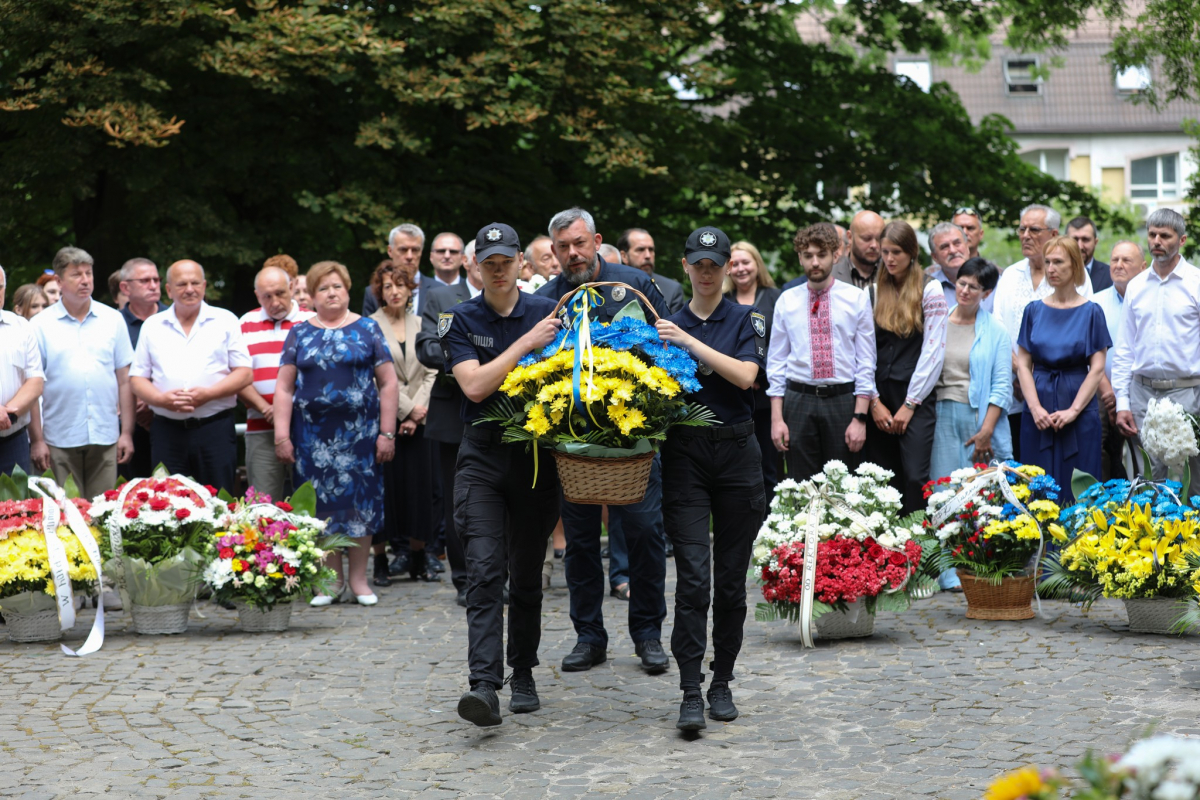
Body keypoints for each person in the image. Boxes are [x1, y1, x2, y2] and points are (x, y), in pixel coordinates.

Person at [536, 207, 671, 677]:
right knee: (579, 542)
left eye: (579, 243)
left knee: (647, 536)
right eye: (563, 248)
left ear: (596, 240)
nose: (573, 254)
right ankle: (589, 636)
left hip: (633, 441)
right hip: (573, 446)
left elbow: (667, 348)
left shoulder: (633, 286)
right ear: (553, 252)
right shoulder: (546, 299)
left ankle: (649, 634)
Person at [440, 222, 562, 727]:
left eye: (505, 260)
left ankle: (524, 671)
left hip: (535, 459)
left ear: (521, 264)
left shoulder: (549, 313)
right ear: (475, 266)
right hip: (484, 458)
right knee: (486, 572)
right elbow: (474, 386)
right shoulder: (461, 319)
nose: (497, 268)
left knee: (527, 575)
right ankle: (484, 685)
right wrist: (526, 346)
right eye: (487, 261)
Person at [656, 225, 766, 731]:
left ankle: (722, 680)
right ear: (685, 266)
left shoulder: (746, 319)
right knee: (694, 580)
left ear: (726, 268)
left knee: (730, 584)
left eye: (715, 265)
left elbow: (745, 377)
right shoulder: (666, 324)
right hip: (686, 457)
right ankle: (689, 690)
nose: (706, 272)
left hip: (737, 454)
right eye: (698, 265)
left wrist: (689, 345)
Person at [274, 260, 398, 606]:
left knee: (360, 506)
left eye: (338, 286)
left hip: (361, 437)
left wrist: (387, 433)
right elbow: (284, 388)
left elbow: (388, 383)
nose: (332, 293)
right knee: (320, 507)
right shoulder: (299, 333)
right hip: (312, 439)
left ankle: (359, 580)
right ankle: (330, 580)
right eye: (324, 288)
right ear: (311, 296)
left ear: (347, 290)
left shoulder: (368, 329)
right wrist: (281, 436)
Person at [130, 260, 252, 494]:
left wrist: (208, 394)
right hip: (167, 431)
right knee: (165, 504)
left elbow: (245, 373)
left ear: (204, 286)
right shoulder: (152, 326)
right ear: (168, 290)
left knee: (220, 501)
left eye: (195, 283)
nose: (189, 289)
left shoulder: (225, 320)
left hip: (214, 428)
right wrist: (160, 399)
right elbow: (137, 378)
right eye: (182, 284)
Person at [929, 257, 1013, 591]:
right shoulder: (937, 321)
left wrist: (987, 430)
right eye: (961, 283)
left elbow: (1002, 385)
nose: (964, 290)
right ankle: (948, 572)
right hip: (941, 416)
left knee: (980, 496)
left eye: (973, 287)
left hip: (979, 418)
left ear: (986, 292)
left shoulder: (996, 331)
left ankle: (982, 565)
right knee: (944, 493)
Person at [768, 223, 875, 481]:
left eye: (821, 255)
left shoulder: (856, 298)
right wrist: (777, 419)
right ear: (800, 258)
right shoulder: (787, 299)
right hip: (798, 400)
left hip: (842, 400)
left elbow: (866, 361)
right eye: (808, 256)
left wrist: (860, 418)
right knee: (801, 486)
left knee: (843, 487)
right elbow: (776, 362)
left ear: (836, 255)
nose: (815, 262)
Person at [29, 246, 134, 498]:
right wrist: (37, 440)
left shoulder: (112, 319)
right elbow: (32, 386)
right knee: (66, 518)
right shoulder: (40, 325)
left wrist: (127, 432)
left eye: (89, 273)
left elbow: (125, 380)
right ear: (58, 280)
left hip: (105, 433)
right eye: (76, 274)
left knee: (103, 513)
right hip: (58, 436)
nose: (85, 280)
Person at [993, 204, 1092, 461]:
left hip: (1064, 391)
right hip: (1014, 389)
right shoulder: (1009, 276)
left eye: (1034, 229)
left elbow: (1084, 333)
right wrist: (1022, 374)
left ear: (1053, 232)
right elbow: (999, 330)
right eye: (1022, 229)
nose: (1025, 235)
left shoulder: (1080, 283)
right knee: (1025, 464)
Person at [1016, 237, 1110, 503]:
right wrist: (1034, 408)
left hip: (1078, 404)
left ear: (1075, 265)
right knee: (1036, 484)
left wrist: (1073, 411)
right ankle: (1039, 543)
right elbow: (1023, 364)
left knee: (1080, 484)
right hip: (1039, 403)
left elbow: (1097, 368)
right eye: (1047, 262)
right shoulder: (1033, 310)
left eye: (1058, 262)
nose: (1051, 268)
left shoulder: (1092, 312)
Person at [416, 242, 484, 606]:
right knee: (460, 500)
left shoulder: (513, 295)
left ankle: (497, 574)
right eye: (480, 259)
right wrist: (465, 356)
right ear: (469, 261)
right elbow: (426, 347)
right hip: (452, 412)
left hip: (499, 410)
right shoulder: (441, 297)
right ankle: (465, 580)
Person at [865, 221, 948, 515]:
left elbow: (934, 351)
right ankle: (885, 554)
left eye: (896, 252)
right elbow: (863, 350)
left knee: (914, 477)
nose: (889, 259)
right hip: (879, 395)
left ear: (912, 252)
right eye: (885, 252)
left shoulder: (930, 288)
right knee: (882, 479)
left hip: (915, 395)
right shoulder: (873, 291)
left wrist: (911, 403)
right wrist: (873, 401)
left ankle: (918, 550)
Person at [1114, 209, 1200, 479]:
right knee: (1147, 482)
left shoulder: (1196, 283)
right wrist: (1122, 402)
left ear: (1182, 240)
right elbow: (1125, 348)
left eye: (1165, 235)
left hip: (1188, 394)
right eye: (1152, 234)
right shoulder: (1136, 286)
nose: (1157, 241)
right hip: (1142, 395)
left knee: (1191, 481)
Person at [370, 261, 438, 586]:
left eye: (400, 285)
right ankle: (380, 561)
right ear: (379, 292)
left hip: (420, 423)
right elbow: (374, 377)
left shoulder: (421, 323)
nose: (395, 291)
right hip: (385, 422)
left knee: (419, 492)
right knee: (385, 492)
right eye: (388, 286)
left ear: (411, 289)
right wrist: (407, 411)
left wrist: (419, 410)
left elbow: (432, 370)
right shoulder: (368, 327)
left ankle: (418, 558)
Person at [237, 265, 314, 503]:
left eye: (280, 293)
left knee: (310, 504)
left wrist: (288, 410)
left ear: (292, 287)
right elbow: (236, 376)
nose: (275, 301)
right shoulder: (245, 323)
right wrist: (266, 408)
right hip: (261, 425)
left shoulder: (312, 321)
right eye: (266, 296)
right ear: (257, 295)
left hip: (307, 427)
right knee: (263, 505)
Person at [723, 241, 782, 498]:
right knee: (739, 467)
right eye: (734, 264)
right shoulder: (722, 300)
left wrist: (757, 372)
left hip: (771, 398)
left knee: (771, 465)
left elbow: (783, 342)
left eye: (746, 262)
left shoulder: (776, 297)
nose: (740, 269)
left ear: (757, 264)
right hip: (734, 396)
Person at [1092, 241, 1147, 480]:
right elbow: (1090, 352)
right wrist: (1109, 392)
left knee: (1143, 454)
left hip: (1142, 391)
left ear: (1143, 267)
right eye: (1115, 260)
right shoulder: (1095, 303)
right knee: (1101, 450)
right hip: (1101, 390)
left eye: (1126, 260)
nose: (1118, 265)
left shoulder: (1150, 301)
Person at [118, 257, 168, 479]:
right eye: (145, 280)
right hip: (126, 424)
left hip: (169, 418)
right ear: (125, 287)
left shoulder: (173, 319)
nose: (153, 285)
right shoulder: (113, 324)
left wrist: (152, 400)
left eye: (156, 279)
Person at [0, 265, 45, 475]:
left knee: (18, 507)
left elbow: (35, 381)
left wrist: (6, 412)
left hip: (13, 439)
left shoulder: (21, 327)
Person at [618, 228, 687, 315]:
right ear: (624, 256)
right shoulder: (611, 284)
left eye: (651, 250)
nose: (648, 255)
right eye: (640, 250)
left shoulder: (671, 289)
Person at [928, 223, 994, 313]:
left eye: (957, 243)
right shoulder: (926, 287)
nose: (953, 250)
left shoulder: (994, 283)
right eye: (944, 247)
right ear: (935, 257)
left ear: (967, 247)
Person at [364, 224, 425, 315]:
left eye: (415, 250)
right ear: (390, 251)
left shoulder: (438, 290)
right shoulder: (372, 292)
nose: (409, 256)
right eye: (403, 250)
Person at [834, 210, 885, 290]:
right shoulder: (829, 276)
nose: (874, 245)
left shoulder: (894, 274)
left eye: (879, 239)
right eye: (866, 239)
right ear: (850, 237)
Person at [1067, 216, 1113, 293]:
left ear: (1095, 242)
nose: (1080, 246)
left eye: (1085, 240)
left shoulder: (1110, 275)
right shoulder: (1051, 272)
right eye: (1074, 240)